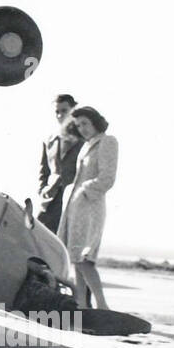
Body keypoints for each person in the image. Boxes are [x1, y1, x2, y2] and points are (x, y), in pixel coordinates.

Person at [57, 105, 117, 309]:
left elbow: (107, 178)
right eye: (78, 125)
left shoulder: (107, 141)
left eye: (85, 123)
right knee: (75, 259)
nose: (81, 128)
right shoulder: (86, 145)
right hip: (76, 209)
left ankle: (102, 306)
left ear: (94, 121)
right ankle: (82, 307)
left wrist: (85, 190)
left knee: (85, 258)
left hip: (91, 207)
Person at [37, 94, 81, 233]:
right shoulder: (49, 140)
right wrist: (43, 190)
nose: (60, 115)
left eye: (64, 110)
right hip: (50, 200)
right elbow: (43, 171)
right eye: (57, 111)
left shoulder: (84, 139)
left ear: (73, 110)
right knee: (39, 237)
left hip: (73, 200)